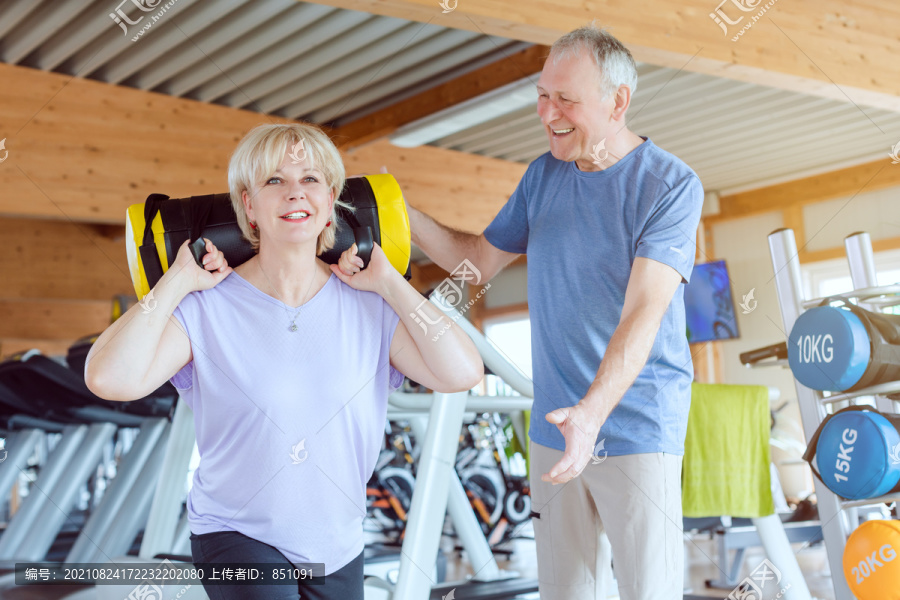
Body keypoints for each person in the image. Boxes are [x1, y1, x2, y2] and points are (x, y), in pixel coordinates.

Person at [85, 123, 483, 600]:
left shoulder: (371, 306)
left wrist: (390, 283)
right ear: (248, 205)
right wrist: (175, 283)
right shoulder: (205, 306)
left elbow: (462, 373)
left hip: (337, 543)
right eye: (274, 180)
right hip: (236, 533)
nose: (295, 192)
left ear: (331, 198)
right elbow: (107, 378)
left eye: (311, 179)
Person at [406, 23, 704, 600]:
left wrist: (591, 415)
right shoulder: (542, 176)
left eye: (566, 99)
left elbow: (644, 312)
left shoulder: (668, 185)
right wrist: (398, 208)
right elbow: (475, 265)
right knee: (565, 592)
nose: (547, 113)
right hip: (552, 423)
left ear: (618, 101)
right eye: (543, 95)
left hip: (635, 426)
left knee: (649, 591)